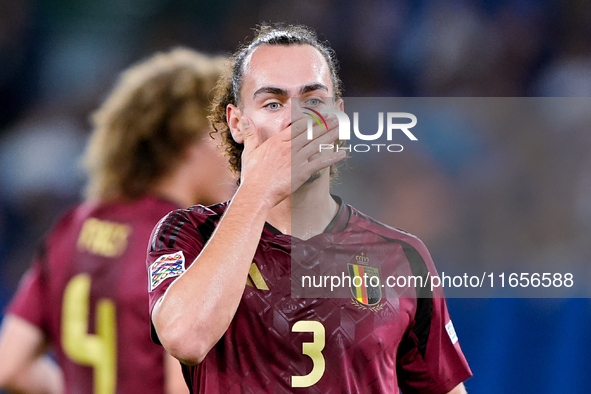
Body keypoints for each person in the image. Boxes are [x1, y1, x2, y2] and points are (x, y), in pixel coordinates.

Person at [148, 24, 472, 393]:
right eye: (273, 103)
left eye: (313, 101)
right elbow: (185, 340)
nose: (296, 120)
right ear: (237, 123)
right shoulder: (188, 233)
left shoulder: (401, 256)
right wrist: (258, 190)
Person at [0, 47, 233, 394]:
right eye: (227, 134)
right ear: (190, 142)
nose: (236, 155)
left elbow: (10, 367)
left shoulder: (73, 226)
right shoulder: (189, 242)